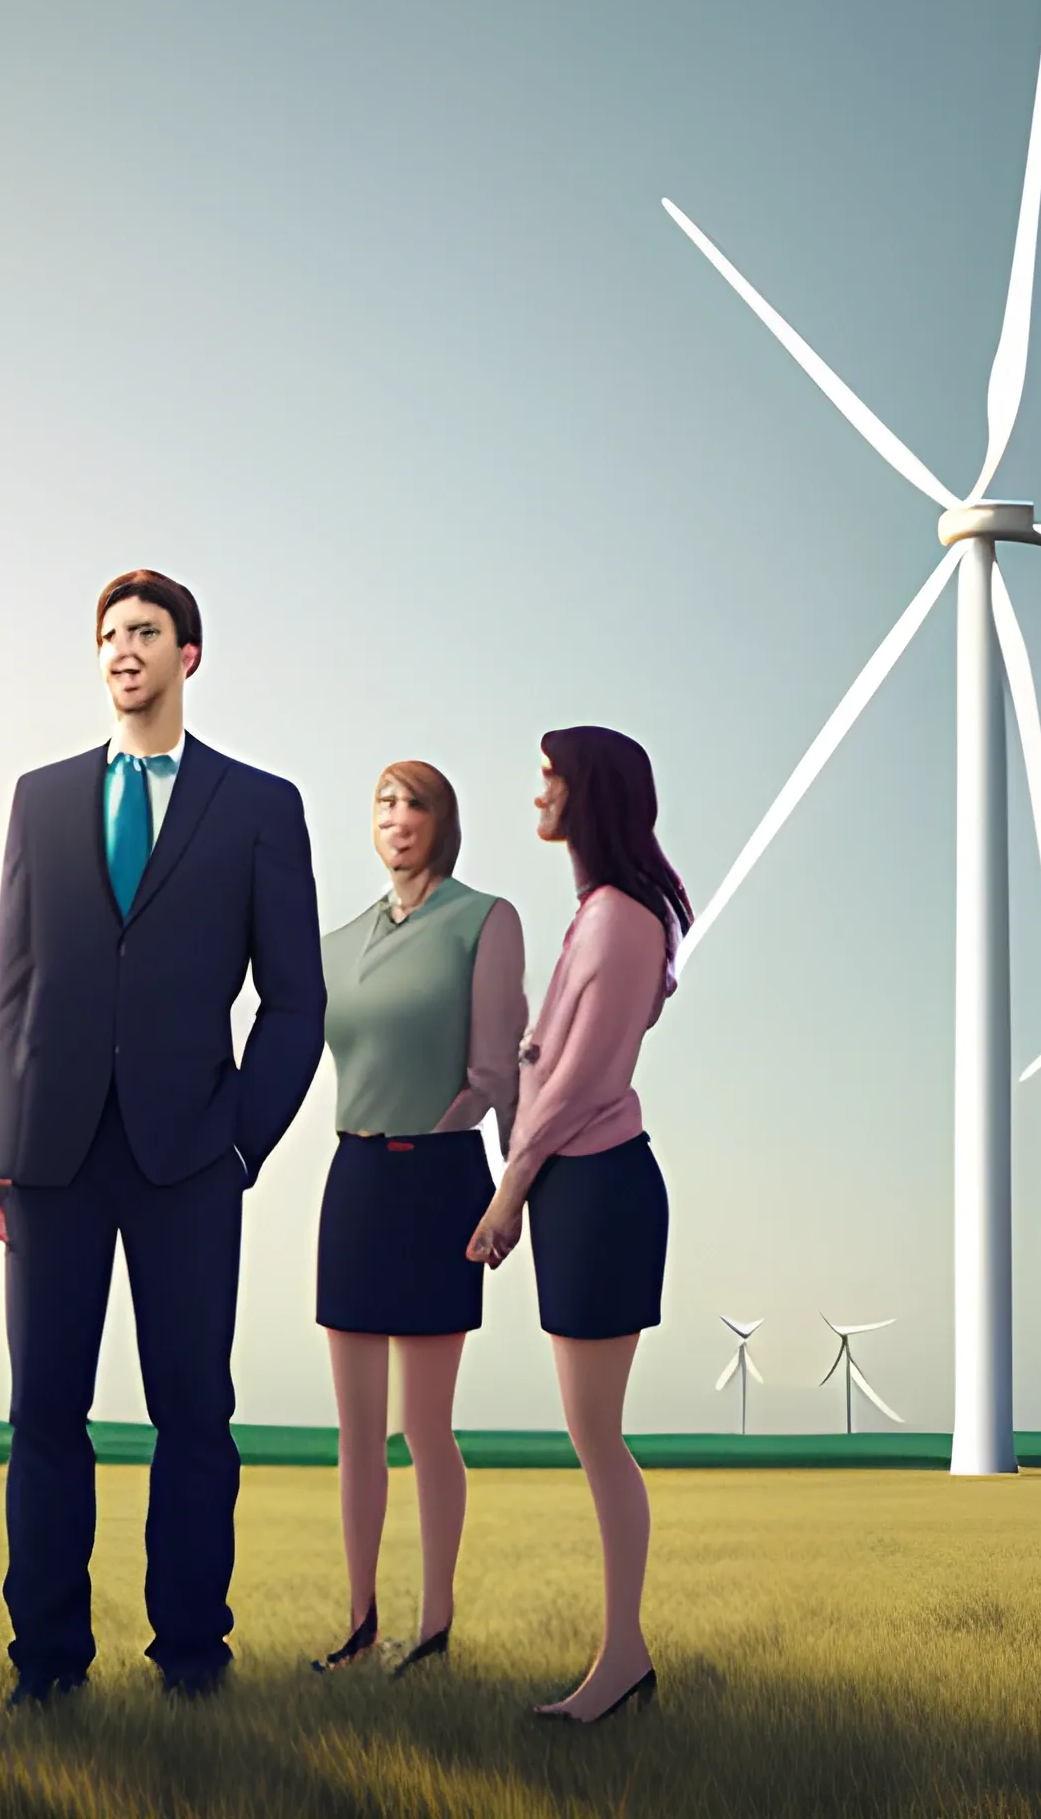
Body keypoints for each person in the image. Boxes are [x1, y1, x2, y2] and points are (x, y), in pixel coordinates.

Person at [0, 571, 325, 1706]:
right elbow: (11, 986)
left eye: (146, 633)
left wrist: (241, 1144)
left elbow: (295, 1000)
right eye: (110, 635)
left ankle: (189, 1653)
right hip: (51, 1157)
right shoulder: (38, 797)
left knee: (193, 1410)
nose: (124, 649)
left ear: (191, 654)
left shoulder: (260, 803)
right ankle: (45, 1664)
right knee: (44, 1414)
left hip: (190, 1158)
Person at [468, 724, 689, 1723]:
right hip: (579, 1186)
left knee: (596, 1434)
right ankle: (621, 1653)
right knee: (590, 1430)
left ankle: (623, 1657)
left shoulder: (615, 921)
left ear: (588, 794)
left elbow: (579, 1082)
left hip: (594, 1187)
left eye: (549, 780)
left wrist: (509, 1184)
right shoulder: (603, 914)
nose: (535, 797)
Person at [311, 760, 526, 1679]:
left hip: (437, 1176)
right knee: (356, 1432)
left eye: (416, 804)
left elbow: (497, 1074)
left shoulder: (485, 921)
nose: (398, 819)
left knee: (423, 1426)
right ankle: (359, 1626)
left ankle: (433, 1628)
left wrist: (510, 1188)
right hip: (354, 1176)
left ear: (445, 822)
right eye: (384, 805)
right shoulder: (334, 941)